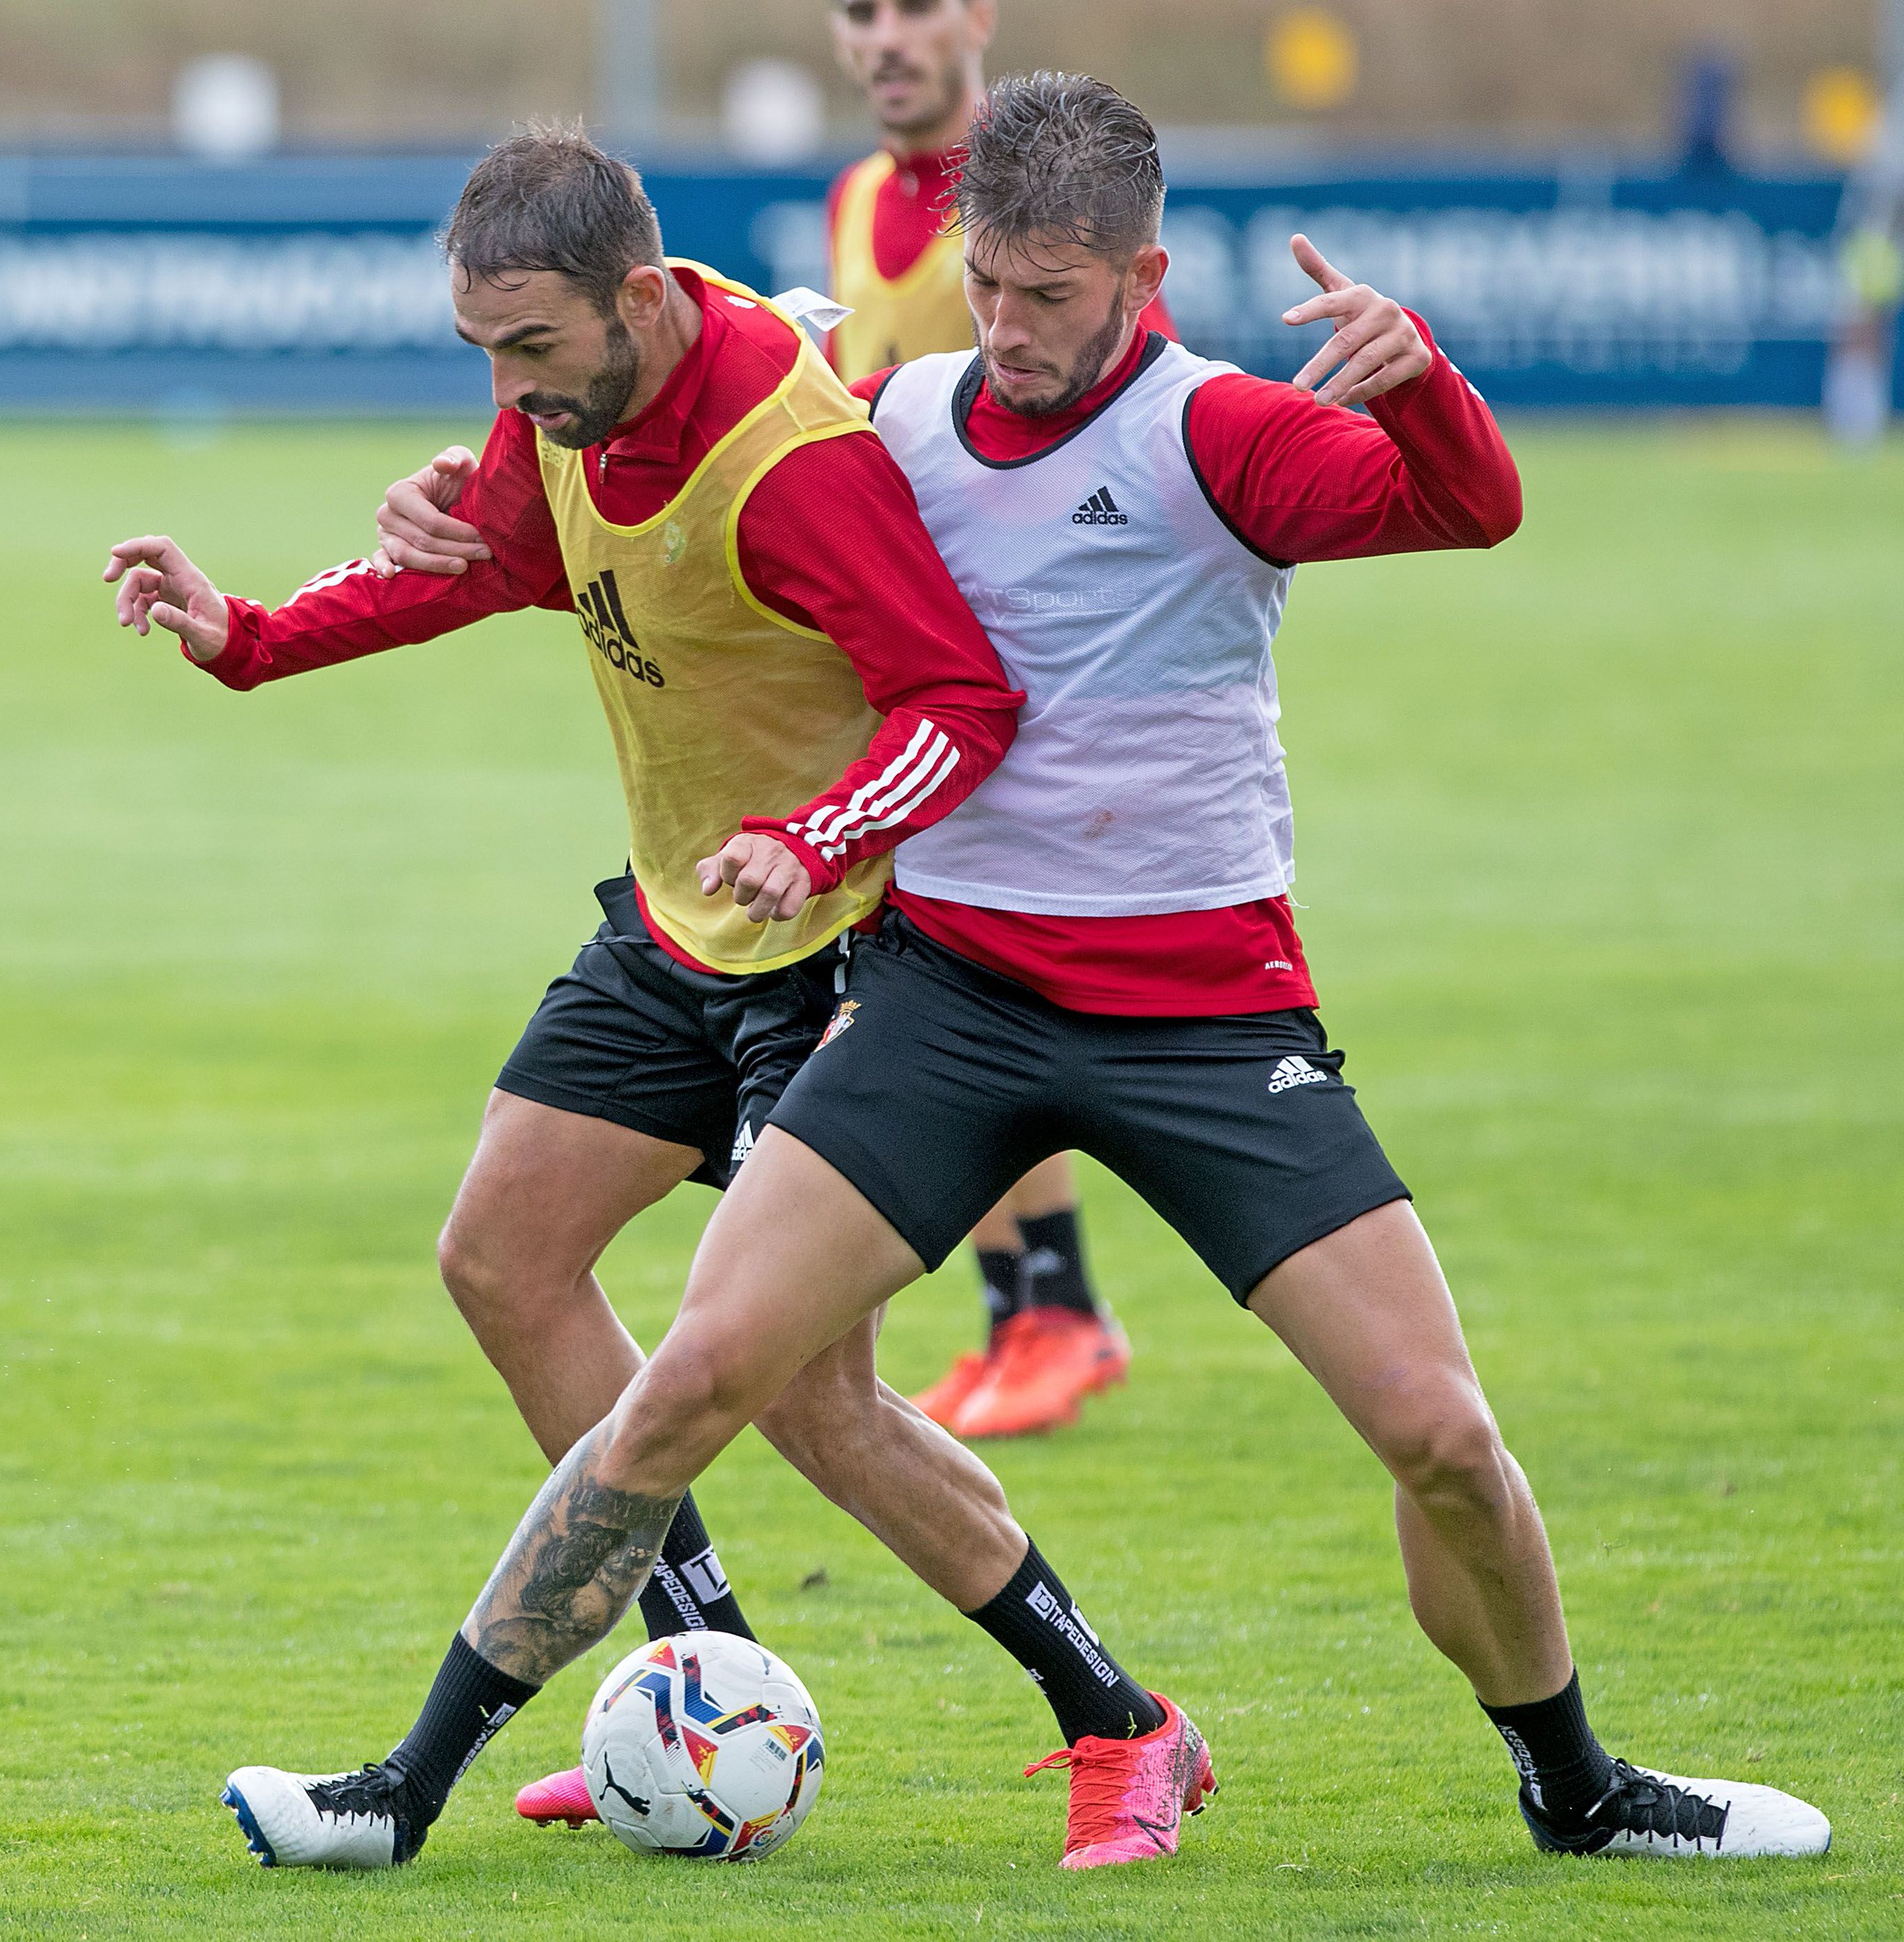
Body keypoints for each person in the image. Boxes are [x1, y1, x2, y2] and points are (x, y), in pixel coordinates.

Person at [235, 72, 1833, 1873]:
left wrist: (1424, 382)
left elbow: (1465, 511)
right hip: (949, 1004)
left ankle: (1576, 1785)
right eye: (984, 284)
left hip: (1211, 1018)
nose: (1004, 332)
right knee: (696, 1373)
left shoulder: (1220, 433)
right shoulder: (895, 408)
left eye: (1050, 296)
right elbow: (682, 393)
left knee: (1440, 1437)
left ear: (1142, 278)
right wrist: (459, 481)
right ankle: (403, 1786)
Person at [110, 124, 1110, 1843]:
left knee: (815, 1405)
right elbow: (490, 556)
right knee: (501, 1257)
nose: (510, 390)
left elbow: (957, 698)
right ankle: (698, 1675)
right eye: (483, 353)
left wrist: (811, 835)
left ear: (634, 295)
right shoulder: (564, 404)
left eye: (533, 350)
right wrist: (248, 637)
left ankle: (1114, 1718)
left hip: (836, 947)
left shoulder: (790, 462)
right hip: (673, 925)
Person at [828, 0, 1180, 1439]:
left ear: (973, 15)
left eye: (913, 7)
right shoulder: (862, 197)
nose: (883, 39)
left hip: (1002, 674)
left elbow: (1133, 399)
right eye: (856, 12)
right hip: (883, 653)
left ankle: (1055, 1308)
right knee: (914, 984)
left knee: (952, 993)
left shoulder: (1047, 197)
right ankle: (1015, 1309)